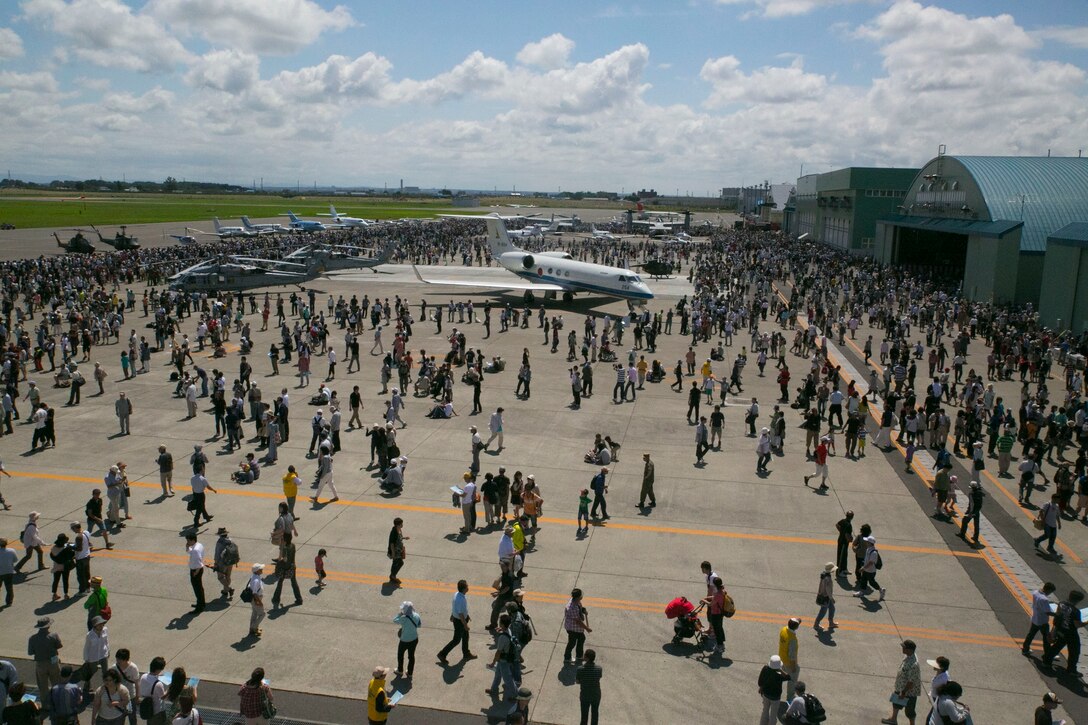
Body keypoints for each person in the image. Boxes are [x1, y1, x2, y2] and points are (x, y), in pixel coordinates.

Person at [1045, 589, 1085, 674]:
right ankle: (1071, 670)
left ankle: (1046, 661)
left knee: (1057, 646)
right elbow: (1077, 624)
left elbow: (1058, 615)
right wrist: (1085, 622)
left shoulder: (1061, 603)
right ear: (1077, 600)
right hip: (1071, 634)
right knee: (1074, 651)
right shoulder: (1075, 611)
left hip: (1060, 629)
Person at [882, 639, 921, 725]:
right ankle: (893, 719)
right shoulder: (908, 656)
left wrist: (903, 692)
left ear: (909, 650)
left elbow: (911, 682)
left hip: (908, 692)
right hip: (901, 687)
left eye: (904, 647)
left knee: (909, 710)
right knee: (895, 703)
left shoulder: (914, 664)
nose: (902, 649)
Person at [437, 579, 476, 664]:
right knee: (456, 640)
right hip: (459, 622)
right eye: (467, 586)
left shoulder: (458, 594)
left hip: (460, 619)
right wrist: (465, 625)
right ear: (464, 589)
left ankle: (466, 653)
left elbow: (456, 607)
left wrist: (454, 615)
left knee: (465, 636)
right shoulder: (460, 599)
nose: (468, 587)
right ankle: (442, 654)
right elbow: (460, 613)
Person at [28, 616, 63, 706]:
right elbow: (59, 646)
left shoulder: (32, 638)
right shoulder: (54, 635)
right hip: (53, 662)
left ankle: (46, 705)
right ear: (48, 626)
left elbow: (30, 652)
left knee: (43, 685)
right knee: (56, 682)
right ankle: (57, 702)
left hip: (40, 663)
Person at [1023, 582, 1056, 656]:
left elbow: (1039, 602)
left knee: (1031, 635)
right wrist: (1057, 614)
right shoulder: (1044, 599)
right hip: (1042, 621)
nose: (1050, 594)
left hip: (1035, 618)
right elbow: (1048, 612)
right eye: (1050, 592)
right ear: (1048, 590)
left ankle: (1025, 648)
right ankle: (1048, 654)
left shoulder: (1035, 592)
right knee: (1046, 638)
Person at [758, 655, 792, 725]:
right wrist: (780, 670)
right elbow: (789, 677)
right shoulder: (779, 674)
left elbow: (760, 681)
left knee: (765, 711)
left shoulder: (765, 668)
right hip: (775, 697)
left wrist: (761, 687)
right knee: (773, 715)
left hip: (766, 694)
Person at [271, 532, 302, 607]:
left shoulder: (285, 548)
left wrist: (279, 562)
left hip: (285, 568)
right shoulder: (293, 545)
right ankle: (299, 599)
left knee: (280, 583)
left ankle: (276, 599)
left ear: (284, 539)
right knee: (294, 583)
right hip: (292, 566)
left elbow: (285, 559)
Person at [393, 601, 421, 679]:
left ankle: (400, 670)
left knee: (400, 655)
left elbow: (394, 620)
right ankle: (410, 673)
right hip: (414, 639)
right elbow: (419, 625)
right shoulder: (417, 615)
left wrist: (400, 614)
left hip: (404, 641)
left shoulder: (403, 618)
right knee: (411, 656)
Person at [563, 588, 592, 664]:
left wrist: (583, 610)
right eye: (581, 595)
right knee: (572, 643)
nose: (582, 596)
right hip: (572, 628)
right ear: (577, 597)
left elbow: (580, 608)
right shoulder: (572, 608)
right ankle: (567, 657)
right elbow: (578, 621)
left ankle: (579, 656)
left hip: (577, 628)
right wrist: (587, 628)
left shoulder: (576, 601)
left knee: (581, 638)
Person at [576, 649, 602, 725]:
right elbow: (599, 677)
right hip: (596, 695)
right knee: (595, 714)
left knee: (584, 716)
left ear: (587, 658)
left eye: (584, 655)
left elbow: (577, 681)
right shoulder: (599, 669)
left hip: (585, 695)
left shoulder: (580, 669)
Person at [138, 657, 168, 725]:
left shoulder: (143, 676)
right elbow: (163, 697)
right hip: (157, 711)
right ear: (158, 670)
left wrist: (157, 675)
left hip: (148, 709)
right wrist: (168, 690)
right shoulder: (158, 684)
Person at [701, 576, 727, 655]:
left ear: (715, 585)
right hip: (720, 614)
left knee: (717, 630)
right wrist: (708, 597)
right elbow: (715, 597)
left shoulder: (718, 594)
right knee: (720, 628)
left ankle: (720, 646)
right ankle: (721, 644)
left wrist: (703, 600)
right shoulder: (723, 591)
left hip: (716, 614)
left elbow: (710, 604)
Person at [779, 617, 800, 701]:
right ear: (796, 627)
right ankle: (790, 697)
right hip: (789, 662)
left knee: (780, 677)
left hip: (781, 658)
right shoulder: (793, 639)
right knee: (792, 680)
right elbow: (792, 655)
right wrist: (793, 667)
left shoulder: (783, 629)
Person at [185, 532, 206, 614]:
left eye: (188, 540)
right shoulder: (198, 545)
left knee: (197, 589)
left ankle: (199, 607)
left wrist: (195, 573)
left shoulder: (195, 550)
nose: (187, 542)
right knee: (200, 588)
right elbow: (191, 552)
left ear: (193, 540)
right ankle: (201, 603)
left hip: (196, 571)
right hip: (198, 570)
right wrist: (187, 548)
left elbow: (199, 564)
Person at [813, 562, 837, 630]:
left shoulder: (824, 575)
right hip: (825, 597)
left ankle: (831, 622)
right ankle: (816, 624)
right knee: (823, 611)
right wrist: (831, 598)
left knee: (832, 608)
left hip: (823, 595)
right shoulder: (828, 578)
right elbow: (828, 589)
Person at [247, 563, 266, 638]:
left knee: (254, 613)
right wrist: (260, 602)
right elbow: (255, 593)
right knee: (262, 614)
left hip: (255, 599)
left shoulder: (255, 576)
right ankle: (253, 627)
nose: (262, 570)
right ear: (257, 571)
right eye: (260, 569)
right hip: (256, 599)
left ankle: (252, 630)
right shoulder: (256, 580)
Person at [387, 518, 407, 584]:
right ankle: (392, 576)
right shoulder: (394, 532)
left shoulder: (399, 529)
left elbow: (399, 537)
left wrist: (404, 538)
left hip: (399, 550)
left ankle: (393, 576)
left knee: (398, 563)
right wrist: (393, 553)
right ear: (398, 525)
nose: (402, 525)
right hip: (395, 551)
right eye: (401, 524)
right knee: (398, 563)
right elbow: (392, 543)